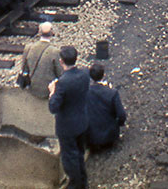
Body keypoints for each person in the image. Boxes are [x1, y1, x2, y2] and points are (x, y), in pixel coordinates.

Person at [48, 45, 90, 189]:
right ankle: (83, 182)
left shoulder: (62, 83)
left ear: (61, 61)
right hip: (82, 122)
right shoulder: (85, 74)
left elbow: (53, 107)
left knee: (69, 158)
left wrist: (52, 92)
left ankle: (75, 185)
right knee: (79, 153)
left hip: (67, 127)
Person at [85, 62, 127, 151]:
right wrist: (119, 124)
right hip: (110, 136)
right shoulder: (112, 93)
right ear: (103, 75)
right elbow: (122, 115)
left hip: (92, 138)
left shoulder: (84, 93)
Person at [20, 22, 63, 100]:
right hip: (48, 91)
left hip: (32, 89)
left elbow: (24, 69)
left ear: (39, 32)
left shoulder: (28, 48)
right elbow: (60, 74)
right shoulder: (55, 51)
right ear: (52, 33)